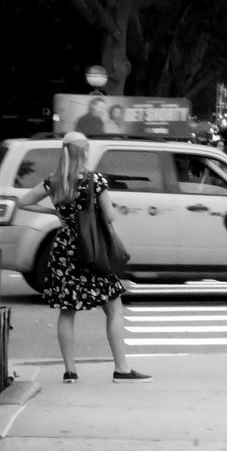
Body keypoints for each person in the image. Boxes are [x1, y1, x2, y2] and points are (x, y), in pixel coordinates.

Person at [16, 132, 151, 384]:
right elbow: (109, 217)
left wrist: (52, 211)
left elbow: (23, 202)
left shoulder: (54, 181)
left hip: (64, 248)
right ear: (84, 151)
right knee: (113, 307)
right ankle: (121, 369)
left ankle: (70, 372)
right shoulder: (95, 181)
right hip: (92, 249)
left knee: (67, 311)